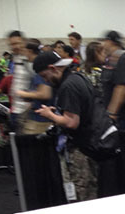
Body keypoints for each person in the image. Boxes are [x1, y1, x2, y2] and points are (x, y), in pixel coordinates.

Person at [31, 51, 100, 201]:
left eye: (45, 76)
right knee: (90, 191)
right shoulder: (78, 78)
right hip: (89, 144)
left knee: (80, 195)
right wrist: (57, 114)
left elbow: (71, 122)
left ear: (52, 68)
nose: (46, 81)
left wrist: (49, 115)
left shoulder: (68, 86)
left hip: (79, 149)